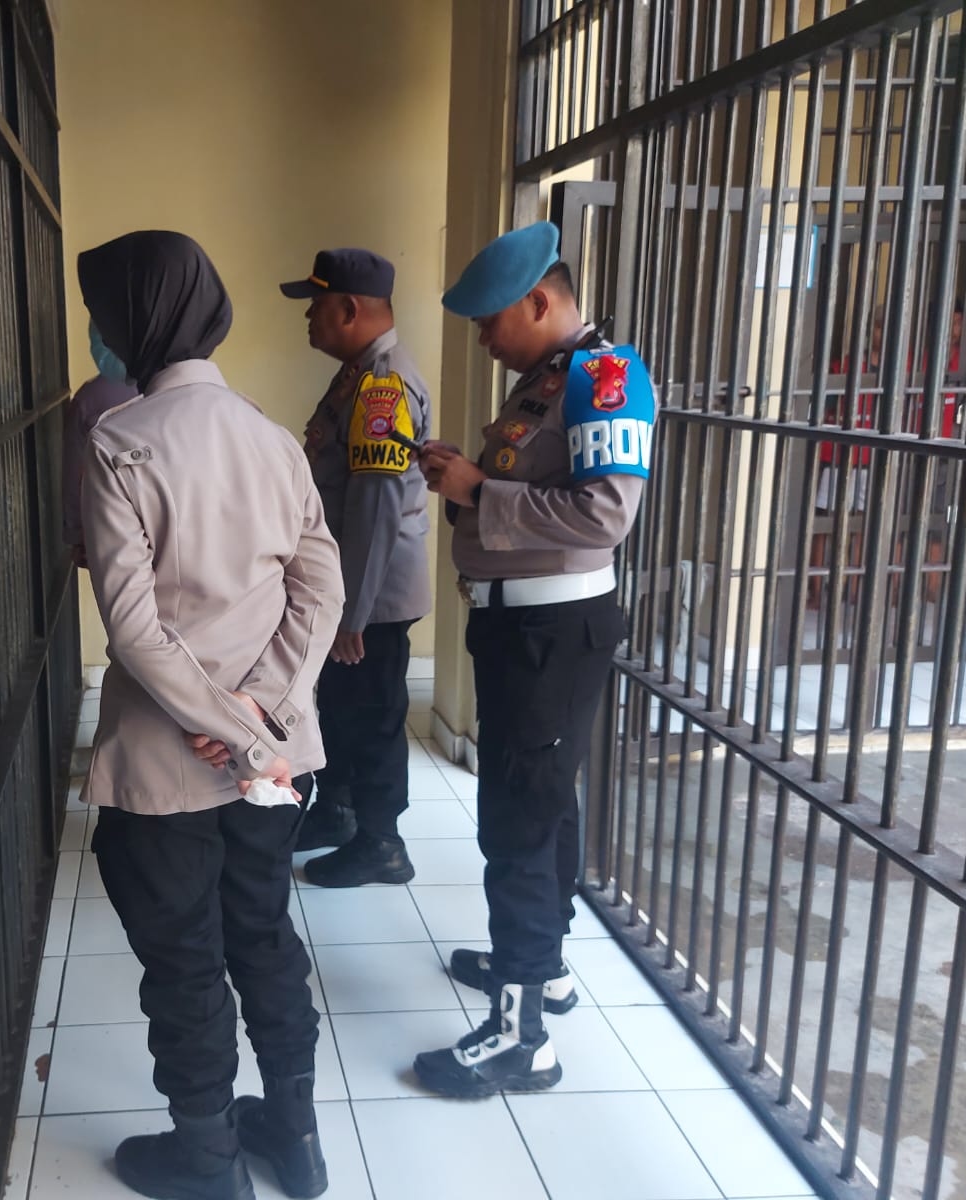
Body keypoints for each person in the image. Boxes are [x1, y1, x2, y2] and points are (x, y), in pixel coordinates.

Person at [78, 230, 345, 1200]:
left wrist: (226, 727)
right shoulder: (271, 437)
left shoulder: (118, 443)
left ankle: (206, 1158)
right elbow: (321, 589)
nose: (100, 330)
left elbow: (134, 629)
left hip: (168, 764)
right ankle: (296, 1140)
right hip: (273, 765)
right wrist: (262, 714)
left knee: (185, 961)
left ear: (133, 319)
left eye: (102, 311)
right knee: (263, 935)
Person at [409, 221, 653, 1098]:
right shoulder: (548, 379)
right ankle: (541, 970)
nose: (482, 338)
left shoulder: (605, 376)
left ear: (539, 301)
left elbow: (602, 517)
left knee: (518, 821)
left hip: (552, 632)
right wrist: (464, 485)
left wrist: (478, 488)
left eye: (489, 321)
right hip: (525, 630)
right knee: (543, 804)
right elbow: (528, 491)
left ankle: (522, 1043)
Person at [277, 249, 432, 887]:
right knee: (341, 706)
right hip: (349, 587)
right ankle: (338, 812)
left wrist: (353, 614)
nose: (307, 318)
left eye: (316, 306)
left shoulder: (383, 387)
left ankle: (382, 842)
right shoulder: (357, 376)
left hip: (373, 596)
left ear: (349, 309)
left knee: (372, 717)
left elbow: (375, 507)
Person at [62, 320, 139, 567]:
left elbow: (73, 474)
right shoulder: (163, 390)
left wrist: (77, 536)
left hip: (106, 531)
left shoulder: (87, 400)